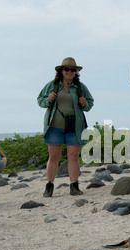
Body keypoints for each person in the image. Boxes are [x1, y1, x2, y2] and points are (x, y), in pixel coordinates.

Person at [37, 57, 94, 197]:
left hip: (75, 127)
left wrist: (84, 103)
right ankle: (49, 186)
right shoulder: (52, 85)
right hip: (54, 127)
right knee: (53, 157)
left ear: (76, 72)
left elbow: (90, 104)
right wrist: (48, 99)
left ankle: (74, 186)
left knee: (73, 156)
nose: (69, 72)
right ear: (61, 71)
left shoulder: (80, 87)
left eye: (72, 70)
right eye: (66, 69)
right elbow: (40, 100)